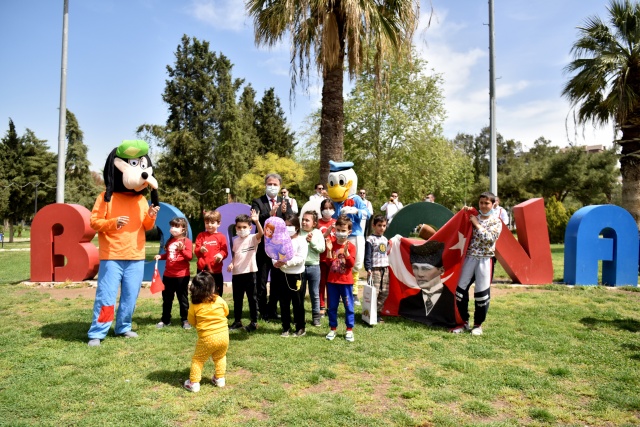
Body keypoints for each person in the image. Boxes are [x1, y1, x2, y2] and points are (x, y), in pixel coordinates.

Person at [452, 191, 503, 336]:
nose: (484, 206)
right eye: (481, 203)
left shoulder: (496, 221)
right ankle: (463, 322)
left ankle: (478, 325)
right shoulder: (472, 217)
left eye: (487, 203)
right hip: (469, 258)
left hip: (485, 259)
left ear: (494, 204)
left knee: (481, 293)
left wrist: (477, 224)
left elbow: (489, 239)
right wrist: (466, 214)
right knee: (460, 291)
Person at [183, 272, 230, 392]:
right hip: (224, 335)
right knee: (220, 357)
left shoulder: (195, 305)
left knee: (198, 359)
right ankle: (219, 379)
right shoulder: (219, 300)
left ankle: (193, 383)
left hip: (207, 338)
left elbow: (191, 320)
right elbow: (226, 312)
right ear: (212, 287)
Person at [251, 173, 287, 321]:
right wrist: (270, 213)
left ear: (279, 186)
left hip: (278, 248)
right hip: (263, 248)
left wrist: (285, 212)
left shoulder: (284, 201)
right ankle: (262, 310)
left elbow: (290, 221)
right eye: (270, 184)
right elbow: (255, 220)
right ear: (265, 185)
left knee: (277, 281)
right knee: (262, 280)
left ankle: (273, 309)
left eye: (275, 184)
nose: (272, 187)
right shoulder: (257, 201)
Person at [398, 240, 456, 327]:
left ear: (441, 270)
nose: (420, 274)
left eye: (426, 268)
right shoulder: (407, 304)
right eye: (415, 267)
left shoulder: (454, 303)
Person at [227, 210, 264, 332]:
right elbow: (235, 255)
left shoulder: (253, 238)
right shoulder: (236, 240)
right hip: (237, 274)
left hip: (250, 273)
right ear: (236, 228)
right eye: (239, 227)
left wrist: (257, 221)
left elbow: (261, 233)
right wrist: (232, 264)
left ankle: (254, 322)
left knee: (252, 298)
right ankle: (237, 321)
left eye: (244, 227)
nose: (241, 229)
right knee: (237, 299)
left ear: (250, 227)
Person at [272, 214, 308, 337]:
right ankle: (285, 327)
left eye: (290, 225)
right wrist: (276, 263)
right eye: (285, 226)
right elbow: (274, 254)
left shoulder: (302, 241)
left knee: (297, 302)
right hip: (283, 274)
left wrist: (286, 261)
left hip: (297, 276)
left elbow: (300, 258)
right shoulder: (280, 240)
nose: (288, 228)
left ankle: (300, 327)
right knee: (284, 302)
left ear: (297, 227)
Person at [154, 217, 193, 329]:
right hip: (168, 275)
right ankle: (165, 320)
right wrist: (160, 256)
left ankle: (185, 320)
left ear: (184, 229)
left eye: (176, 226)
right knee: (167, 299)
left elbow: (189, 257)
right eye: (172, 226)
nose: (173, 228)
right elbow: (168, 255)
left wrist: (182, 250)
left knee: (183, 299)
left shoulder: (187, 242)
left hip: (182, 276)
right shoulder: (170, 241)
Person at [324, 215, 357, 342]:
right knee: (332, 307)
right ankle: (333, 329)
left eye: (343, 231)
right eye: (338, 230)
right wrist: (329, 251)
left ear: (349, 232)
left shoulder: (351, 246)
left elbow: (351, 264)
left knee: (349, 306)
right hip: (332, 281)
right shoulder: (331, 244)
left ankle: (349, 330)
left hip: (346, 282)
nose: (340, 233)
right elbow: (328, 263)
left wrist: (347, 254)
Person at [300, 210, 325, 326]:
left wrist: (312, 241)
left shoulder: (318, 233)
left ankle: (316, 316)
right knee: (300, 292)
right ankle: (300, 315)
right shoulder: (299, 232)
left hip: (314, 267)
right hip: (300, 267)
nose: (304, 222)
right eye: (303, 220)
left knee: (314, 293)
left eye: (307, 220)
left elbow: (322, 248)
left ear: (314, 223)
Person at [195, 210, 228, 297]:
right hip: (202, 271)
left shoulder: (221, 237)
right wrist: (200, 249)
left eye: (212, 222)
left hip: (216, 271)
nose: (209, 225)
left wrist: (221, 255)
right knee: (201, 294)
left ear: (218, 224)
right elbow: (196, 252)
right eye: (207, 222)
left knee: (217, 294)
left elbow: (225, 251)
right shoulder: (201, 236)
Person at [364, 215, 391, 319]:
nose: (382, 228)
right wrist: (368, 268)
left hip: (385, 268)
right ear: (374, 225)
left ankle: (377, 312)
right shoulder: (370, 239)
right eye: (379, 225)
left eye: (384, 226)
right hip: (375, 269)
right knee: (374, 292)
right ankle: (370, 314)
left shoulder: (385, 239)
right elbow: (368, 255)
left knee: (384, 291)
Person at [317, 198, 336, 315]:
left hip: (333, 258)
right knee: (321, 283)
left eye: (330, 208)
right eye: (325, 208)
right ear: (321, 210)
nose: (328, 210)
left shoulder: (336, 222)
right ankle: (321, 305)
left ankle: (331, 306)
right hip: (320, 257)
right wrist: (327, 232)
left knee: (331, 283)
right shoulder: (317, 223)